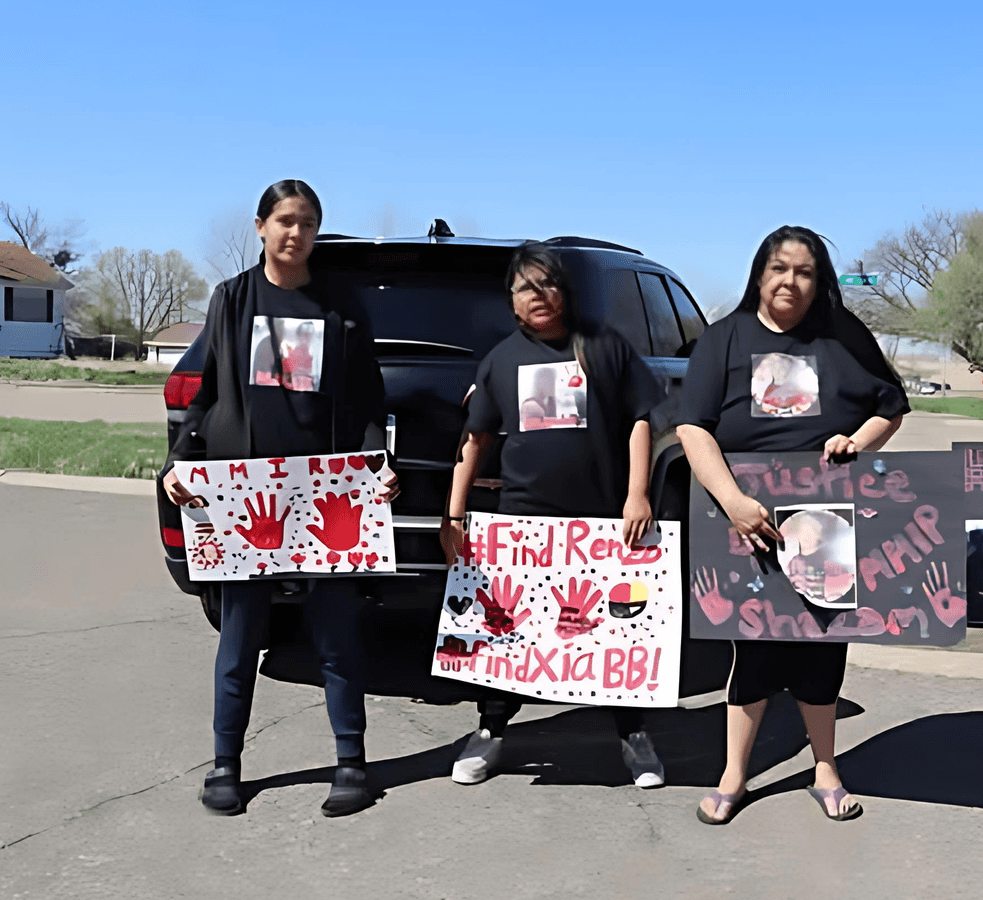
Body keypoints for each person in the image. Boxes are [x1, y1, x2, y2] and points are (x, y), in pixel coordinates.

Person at [161, 179, 396, 818]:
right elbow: (203, 396)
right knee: (240, 636)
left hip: (327, 500)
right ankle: (225, 765)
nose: (297, 234)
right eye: (286, 221)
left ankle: (352, 762)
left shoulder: (340, 305)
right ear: (261, 226)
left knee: (337, 635)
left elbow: (371, 400)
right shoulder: (232, 300)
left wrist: (378, 464)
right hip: (245, 498)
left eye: (309, 224)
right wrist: (179, 464)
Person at [675, 225, 909, 825]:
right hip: (743, 520)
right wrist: (731, 500)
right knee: (752, 650)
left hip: (829, 520)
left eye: (804, 272)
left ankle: (826, 769)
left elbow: (891, 407)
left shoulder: (842, 337)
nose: (790, 281)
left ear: (819, 281)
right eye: (780, 268)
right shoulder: (724, 339)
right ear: (759, 273)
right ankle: (734, 775)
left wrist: (855, 442)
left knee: (822, 651)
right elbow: (694, 428)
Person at [439, 242, 667, 789]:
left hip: (602, 522)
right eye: (525, 287)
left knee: (617, 634)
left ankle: (633, 736)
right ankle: (490, 732)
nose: (538, 296)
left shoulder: (605, 347)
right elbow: (474, 439)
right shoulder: (501, 360)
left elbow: (641, 419)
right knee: (504, 633)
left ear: (565, 291)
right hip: (522, 524)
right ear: (511, 301)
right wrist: (454, 514)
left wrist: (638, 493)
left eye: (548, 284)